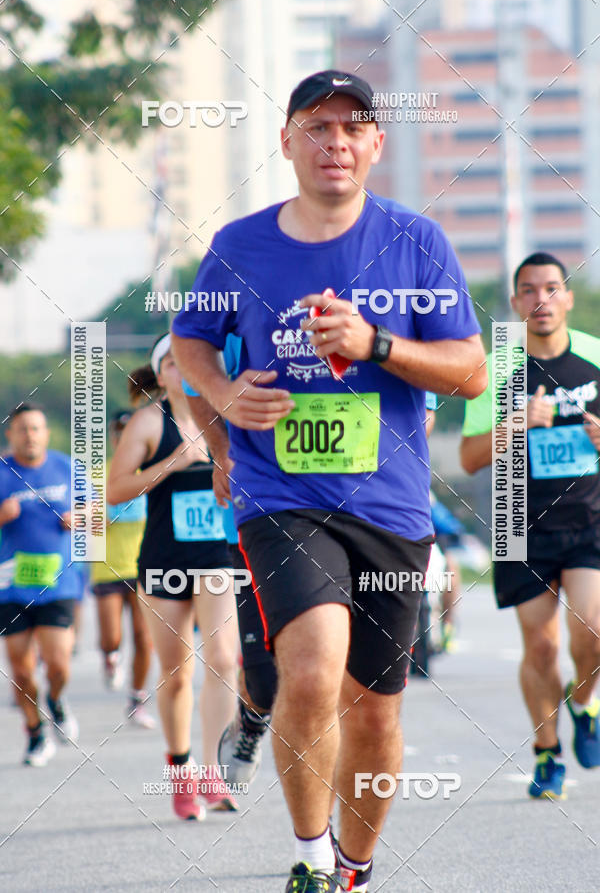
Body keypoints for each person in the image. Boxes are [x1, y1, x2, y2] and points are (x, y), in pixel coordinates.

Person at [172, 69, 486, 892]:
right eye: (317, 126)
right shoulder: (239, 246)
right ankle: (311, 858)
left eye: (352, 128)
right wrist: (222, 399)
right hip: (282, 498)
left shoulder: (417, 240)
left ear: (376, 143)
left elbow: (471, 372)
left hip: (390, 507)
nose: (335, 143)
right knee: (310, 675)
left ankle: (354, 867)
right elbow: (190, 341)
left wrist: (376, 344)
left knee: (376, 711)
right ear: (287, 142)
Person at [461, 251, 600, 800]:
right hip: (518, 518)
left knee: (592, 632)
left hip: (589, 516)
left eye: (551, 288)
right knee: (540, 647)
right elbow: (469, 457)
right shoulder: (496, 369)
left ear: (567, 297)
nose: (541, 299)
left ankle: (584, 703)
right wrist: (515, 424)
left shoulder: (595, 356)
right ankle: (548, 754)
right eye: (529, 290)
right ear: (516, 302)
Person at [107, 335, 239, 820]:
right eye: (172, 363)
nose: (182, 370)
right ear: (160, 374)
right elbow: (115, 490)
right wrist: (174, 462)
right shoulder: (148, 422)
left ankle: (214, 771)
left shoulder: (229, 414)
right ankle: (181, 770)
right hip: (164, 557)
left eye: (190, 361)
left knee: (223, 661)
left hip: (217, 556)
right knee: (177, 672)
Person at [183, 339, 276, 787]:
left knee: (338, 674)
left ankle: (325, 823)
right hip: (257, 519)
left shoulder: (367, 313)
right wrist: (221, 452)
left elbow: (425, 410)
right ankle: (253, 719)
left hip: (353, 512)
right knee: (266, 681)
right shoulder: (238, 317)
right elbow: (194, 378)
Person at [0, 403, 79, 766]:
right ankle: (35, 733)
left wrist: (79, 518)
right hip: (10, 586)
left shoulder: (66, 467)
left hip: (57, 584)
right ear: (10, 434)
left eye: (35, 428)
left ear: (46, 433)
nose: (29, 435)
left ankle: (56, 700)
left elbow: (100, 514)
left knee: (58, 665)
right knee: (20, 670)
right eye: (22, 429)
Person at [90, 411, 155, 728]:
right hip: (108, 567)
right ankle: (109, 657)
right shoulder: (96, 475)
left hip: (145, 564)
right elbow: (84, 524)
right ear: (114, 439)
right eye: (120, 433)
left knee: (145, 637)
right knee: (111, 637)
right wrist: (99, 518)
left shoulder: (154, 472)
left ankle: (136, 700)